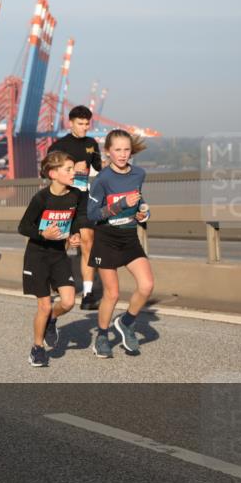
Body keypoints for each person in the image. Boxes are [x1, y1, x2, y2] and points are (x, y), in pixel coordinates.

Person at [87, 130, 153, 358]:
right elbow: (92, 213)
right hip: (106, 238)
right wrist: (121, 204)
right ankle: (102, 336)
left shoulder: (138, 173)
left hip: (129, 236)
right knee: (112, 294)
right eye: (118, 150)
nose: (123, 155)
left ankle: (126, 322)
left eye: (126, 150)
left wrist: (144, 212)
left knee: (146, 286)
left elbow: (139, 200)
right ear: (108, 152)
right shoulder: (102, 179)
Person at [18, 151, 85, 367]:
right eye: (68, 169)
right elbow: (23, 226)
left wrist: (74, 236)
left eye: (73, 168)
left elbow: (75, 221)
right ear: (53, 173)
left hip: (58, 255)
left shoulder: (76, 195)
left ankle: (52, 321)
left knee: (68, 301)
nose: (73, 172)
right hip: (37, 256)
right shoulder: (41, 198)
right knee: (44, 306)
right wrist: (42, 233)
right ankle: (37, 349)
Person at [47, 105, 103, 310]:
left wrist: (94, 171)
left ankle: (88, 293)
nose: (84, 127)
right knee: (63, 243)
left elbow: (99, 170)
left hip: (85, 199)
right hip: (64, 198)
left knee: (88, 241)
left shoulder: (91, 143)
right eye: (80, 123)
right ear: (70, 123)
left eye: (87, 123)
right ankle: (56, 279)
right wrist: (72, 170)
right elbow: (48, 173)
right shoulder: (59, 145)